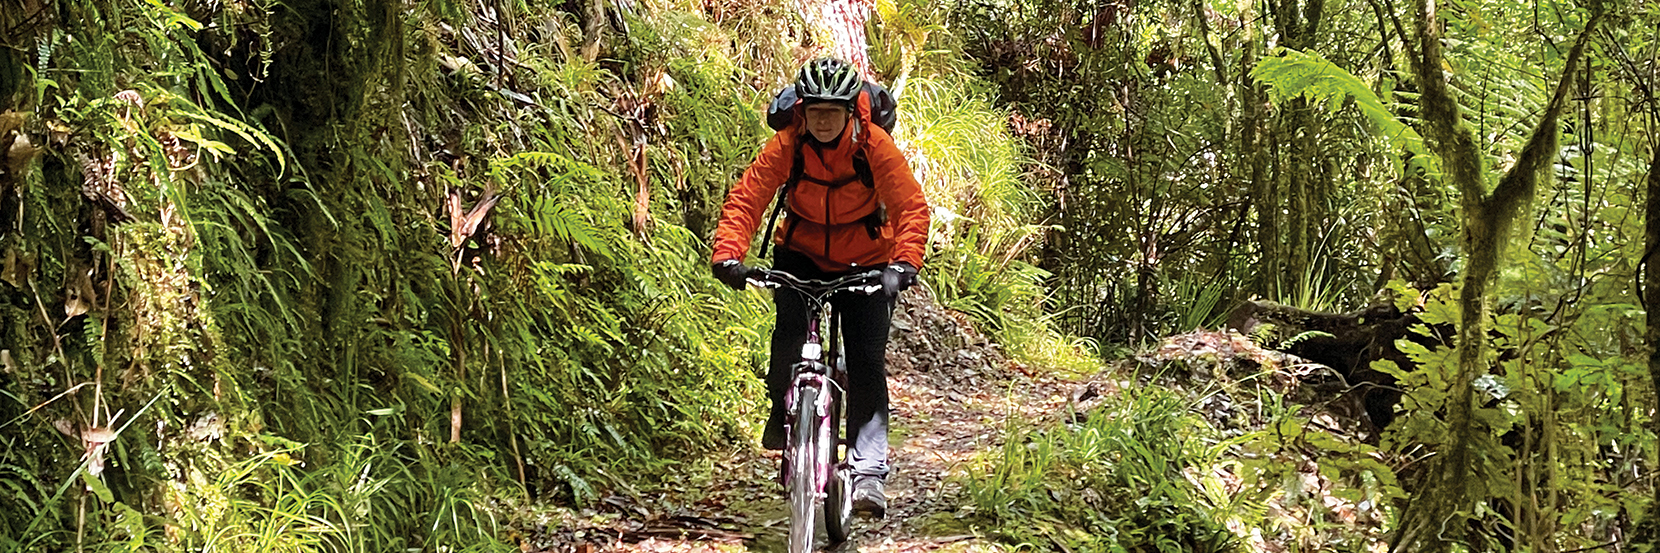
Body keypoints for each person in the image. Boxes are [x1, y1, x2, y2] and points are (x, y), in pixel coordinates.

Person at [709, 57, 930, 518]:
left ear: (852, 112)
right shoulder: (788, 145)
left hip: (866, 260)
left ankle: (868, 472)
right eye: (816, 112)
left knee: (866, 359)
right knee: (788, 335)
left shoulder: (875, 146)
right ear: (802, 112)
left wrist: (903, 263)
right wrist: (729, 253)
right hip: (802, 253)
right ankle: (781, 408)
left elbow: (910, 205)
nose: (824, 121)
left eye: (834, 111)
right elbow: (748, 196)